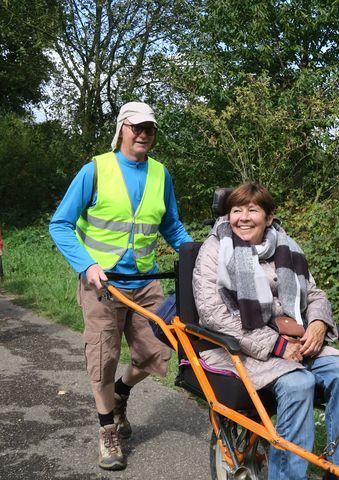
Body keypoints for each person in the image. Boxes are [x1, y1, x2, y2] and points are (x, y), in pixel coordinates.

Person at [49, 102, 192, 471]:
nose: (144, 134)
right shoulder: (95, 169)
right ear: (122, 129)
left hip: (146, 282)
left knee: (158, 351)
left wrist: (198, 257)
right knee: (103, 357)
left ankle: (122, 391)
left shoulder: (161, 175)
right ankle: (107, 430)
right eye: (137, 127)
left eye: (150, 129)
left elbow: (172, 227)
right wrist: (87, 264)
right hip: (103, 284)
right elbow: (60, 224)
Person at [192, 183, 339, 480]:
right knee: (298, 384)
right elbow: (214, 314)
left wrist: (317, 324)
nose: (243, 218)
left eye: (253, 210)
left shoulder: (286, 247)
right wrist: (274, 345)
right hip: (239, 346)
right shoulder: (215, 249)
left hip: (292, 340)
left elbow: (314, 294)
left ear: (269, 217)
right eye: (236, 210)